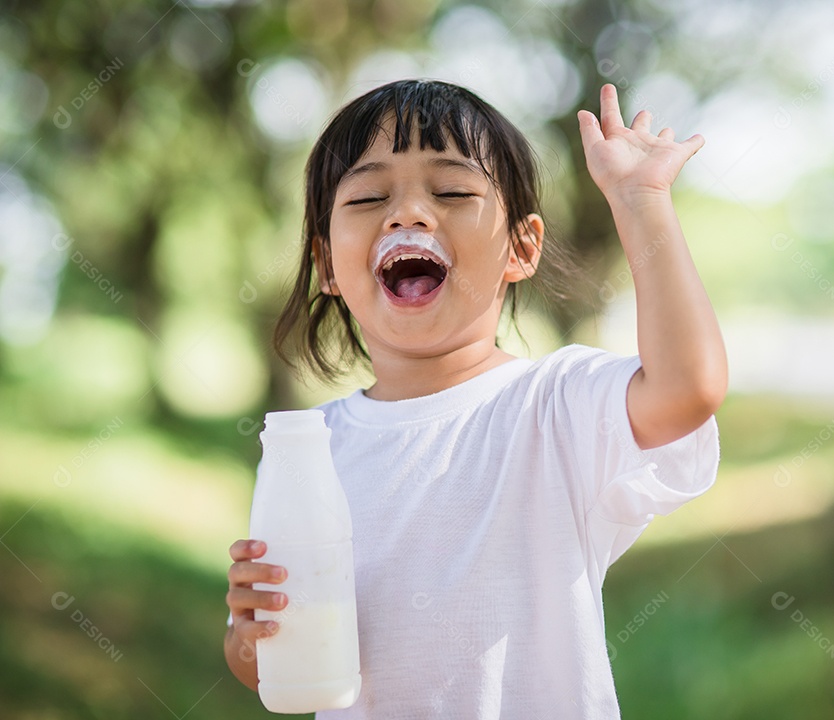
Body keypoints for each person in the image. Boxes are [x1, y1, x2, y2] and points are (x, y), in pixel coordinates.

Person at [225, 78, 728, 718]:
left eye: (453, 191)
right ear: (326, 262)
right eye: (371, 195)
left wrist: (640, 200)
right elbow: (272, 667)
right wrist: (252, 634)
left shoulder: (557, 407)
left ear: (521, 247)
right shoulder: (308, 450)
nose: (407, 213)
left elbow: (690, 388)